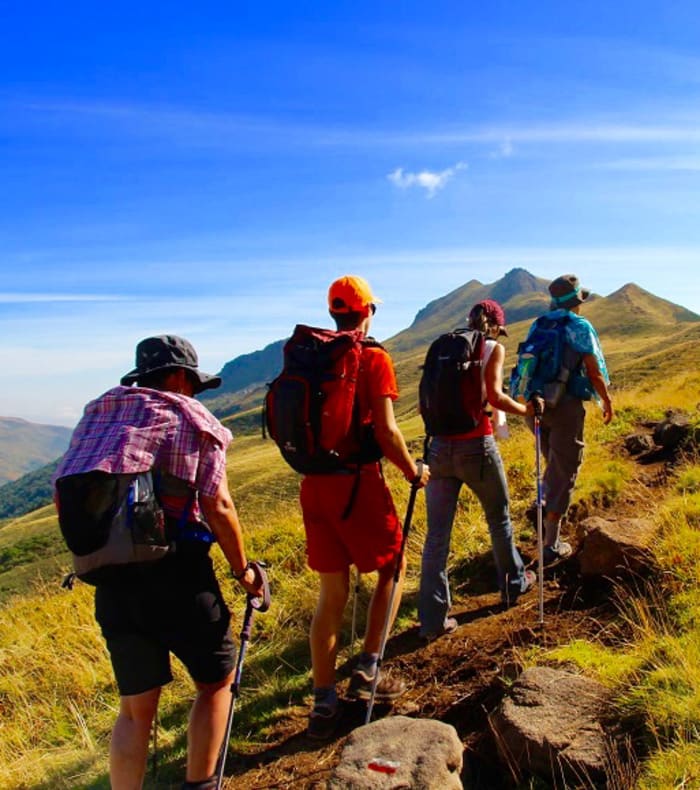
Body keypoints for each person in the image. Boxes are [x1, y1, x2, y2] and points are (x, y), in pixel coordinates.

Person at [53, 335, 263, 790]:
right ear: (176, 377)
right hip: (178, 575)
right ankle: (202, 784)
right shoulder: (188, 416)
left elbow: (61, 492)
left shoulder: (98, 414)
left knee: (135, 709)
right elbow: (218, 504)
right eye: (190, 381)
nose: (192, 391)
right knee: (216, 683)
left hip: (111, 583)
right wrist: (242, 570)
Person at [300, 275, 430, 739]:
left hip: (314, 485)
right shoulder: (372, 357)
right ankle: (369, 669)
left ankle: (323, 704)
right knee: (393, 566)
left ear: (335, 313)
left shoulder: (314, 356)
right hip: (357, 483)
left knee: (330, 595)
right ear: (368, 311)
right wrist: (414, 471)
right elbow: (387, 432)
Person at [419, 299, 539, 641]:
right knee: (498, 517)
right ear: (494, 326)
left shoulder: (443, 347)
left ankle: (431, 620)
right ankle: (514, 584)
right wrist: (527, 409)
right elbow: (496, 397)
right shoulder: (492, 348)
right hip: (476, 446)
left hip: (438, 448)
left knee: (436, 536)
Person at [524, 274, 614, 564]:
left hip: (535, 406)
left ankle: (543, 507)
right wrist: (606, 400)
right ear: (577, 301)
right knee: (566, 469)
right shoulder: (579, 326)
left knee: (553, 464)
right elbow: (594, 369)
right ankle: (550, 544)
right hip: (565, 407)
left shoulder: (539, 324)